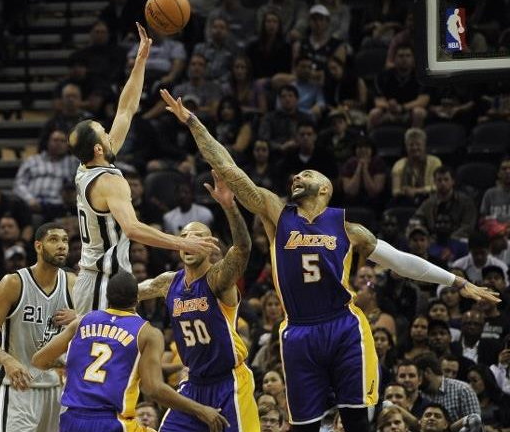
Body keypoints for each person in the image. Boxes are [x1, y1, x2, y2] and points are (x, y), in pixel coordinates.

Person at [158, 88, 500, 432]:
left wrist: (458, 281)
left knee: (355, 422)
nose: (297, 177)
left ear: (326, 188)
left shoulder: (348, 228)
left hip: (343, 326)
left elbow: (400, 261)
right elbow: (226, 167)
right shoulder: (277, 213)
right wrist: (192, 121)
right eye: (296, 175)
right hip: (299, 330)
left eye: (306, 175)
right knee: (305, 427)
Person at [67, 23, 217, 315]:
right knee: (97, 358)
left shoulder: (88, 165)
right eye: (102, 131)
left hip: (107, 277)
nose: (108, 132)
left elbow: (126, 109)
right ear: (98, 148)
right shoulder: (108, 180)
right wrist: (185, 245)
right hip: (102, 280)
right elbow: (133, 229)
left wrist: (141, 60)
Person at [137, 170, 259, 431]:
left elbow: (243, 248)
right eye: (184, 238)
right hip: (193, 383)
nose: (189, 242)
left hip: (229, 381)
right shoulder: (168, 282)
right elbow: (127, 294)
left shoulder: (218, 279)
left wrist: (229, 206)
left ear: (211, 244)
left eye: (197, 237)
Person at [31, 272, 229, 432]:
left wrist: (65, 365)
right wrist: (200, 409)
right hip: (112, 422)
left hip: (71, 421)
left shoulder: (81, 321)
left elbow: (39, 359)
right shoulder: (147, 333)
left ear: (107, 298)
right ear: (137, 298)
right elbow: (153, 389)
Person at [0, 223, 77, 432]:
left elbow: (98, 323)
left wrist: (81, 317)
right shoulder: (13, 283)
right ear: (38, 246)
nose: (61, 246)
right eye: (54, 240)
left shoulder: (72, 283)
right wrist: (7, 360)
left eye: (65, 240)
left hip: (58, 388)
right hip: (19, 387)